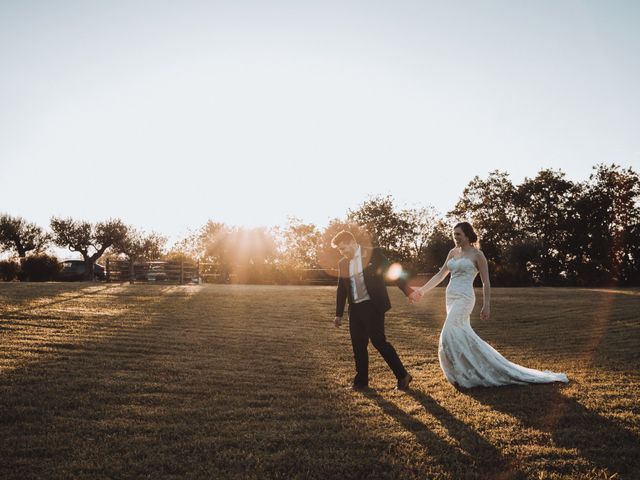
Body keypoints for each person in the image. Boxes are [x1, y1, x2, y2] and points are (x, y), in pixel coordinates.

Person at [409, 222, 568, 389]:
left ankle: (467, 373)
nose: (455, 238)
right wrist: (422, 290)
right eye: (454, 234)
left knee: (448, 333)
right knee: (460, 334)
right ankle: (461, 374)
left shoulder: (478, 255)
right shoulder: (452, 252)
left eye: (459, 234)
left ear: (468, 235)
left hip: (464, 298)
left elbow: (486, 282)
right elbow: (440, 275)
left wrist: (486, 305)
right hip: (450, 297)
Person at [332, 231, 413, 391]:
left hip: (373, 306)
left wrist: (408, 291)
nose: (342, 252)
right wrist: (338, 314)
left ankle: (403, 376)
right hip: (355, 309)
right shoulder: (342, 263)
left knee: (378, 341)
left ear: (352, 242)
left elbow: (392, 272)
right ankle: (361, 382)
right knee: (358, 345)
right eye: (340, 250)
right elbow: (342, 288)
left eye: (343, 248)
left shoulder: (373, 254)